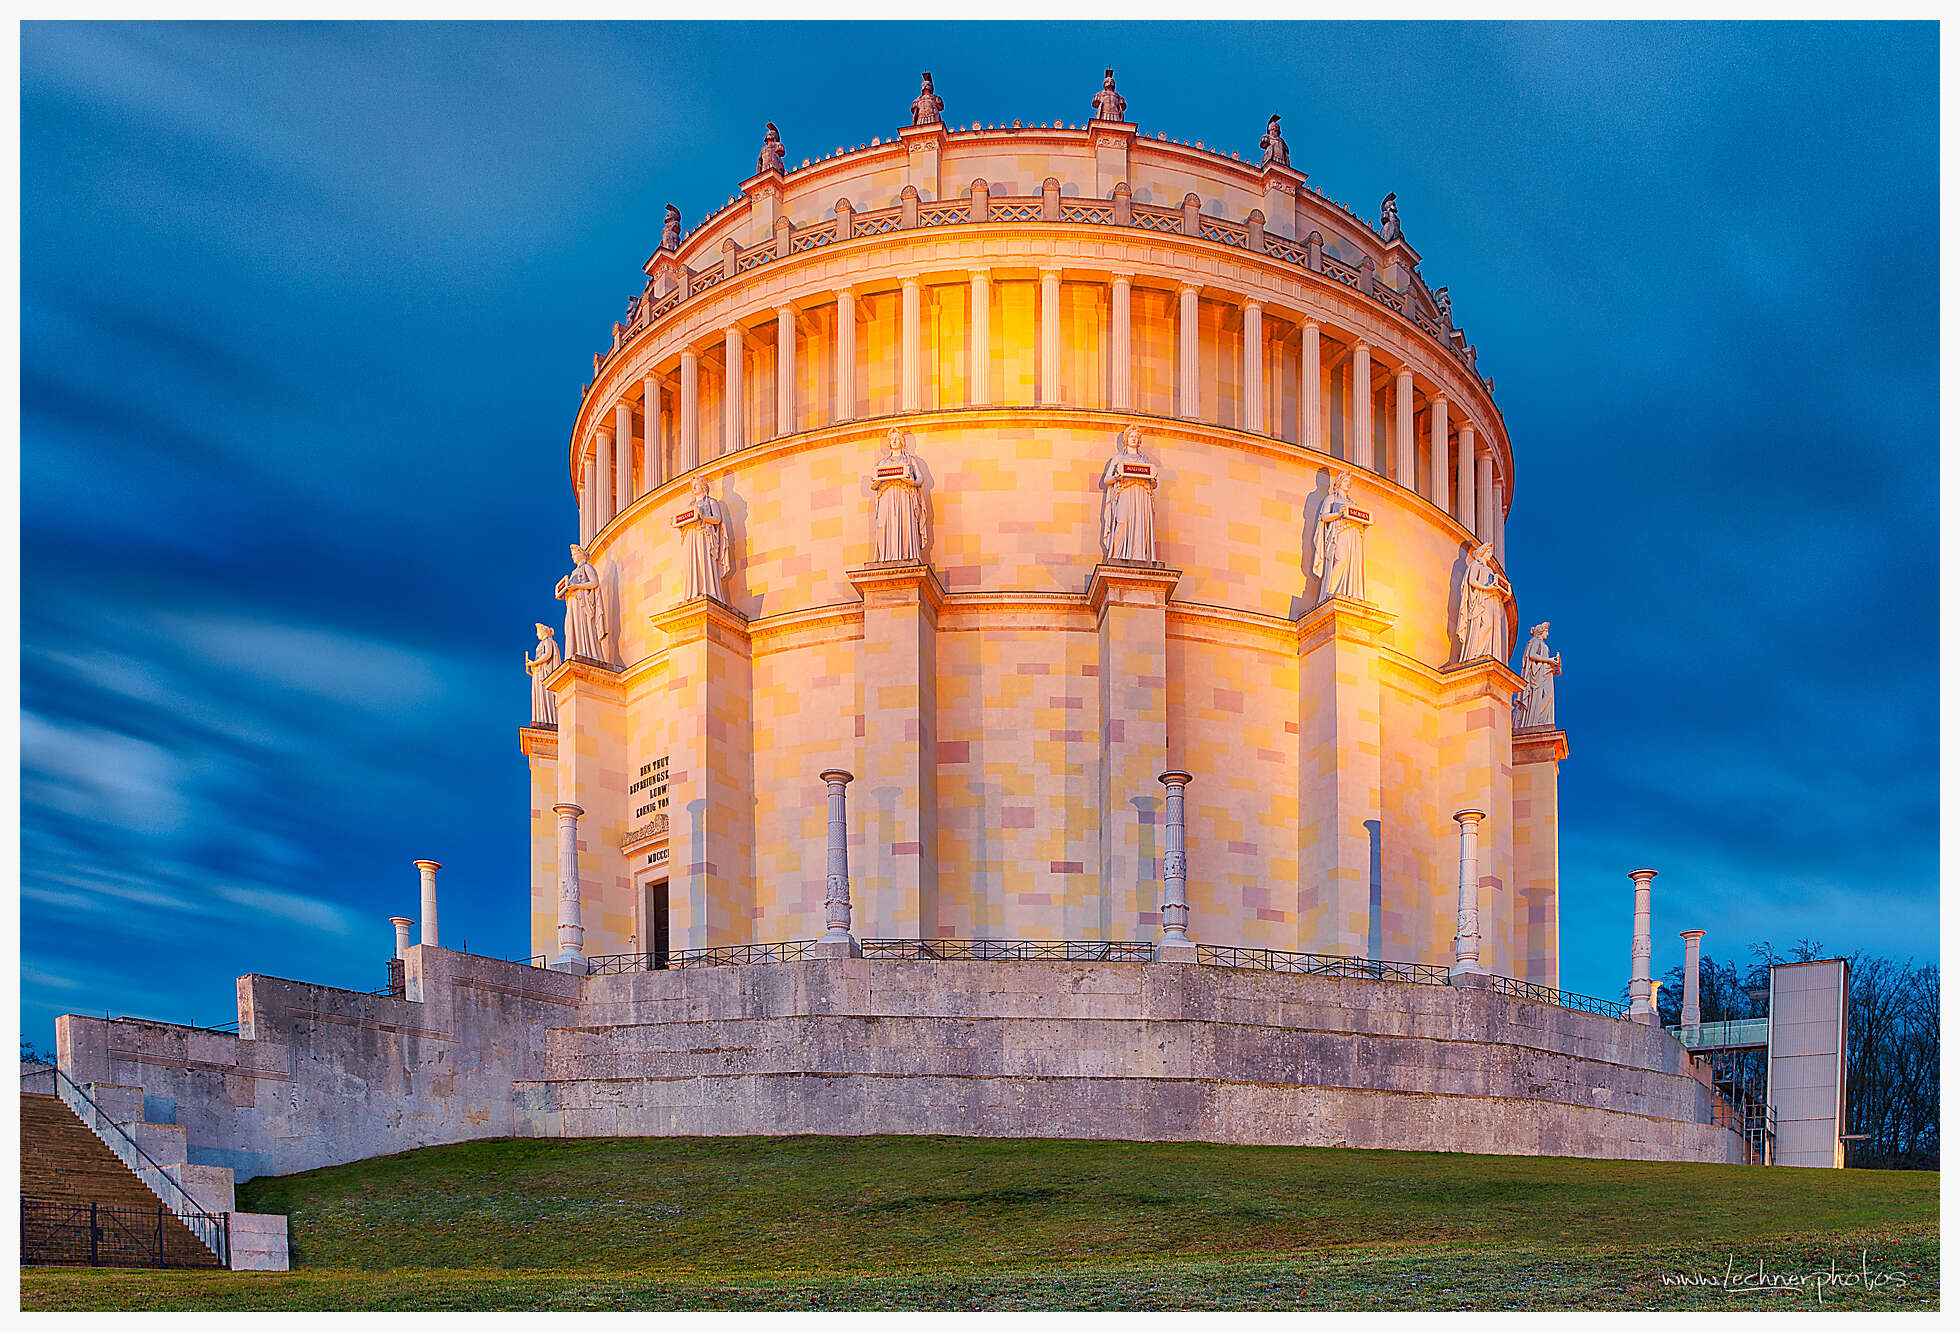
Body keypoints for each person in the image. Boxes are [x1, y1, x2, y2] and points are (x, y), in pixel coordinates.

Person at [1100, 425, 1157, 563]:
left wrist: (1152, 480)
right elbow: (1107, 480)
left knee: (1140, 526)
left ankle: (1138, 556)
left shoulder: (1145, 460)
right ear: (1126, 439)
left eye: (1136, 437)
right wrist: (1117, 477)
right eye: (1131, 436)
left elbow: (1154, 483)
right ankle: (1117, 556)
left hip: (1141, 495)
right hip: (1125, 492)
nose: (1134, 439)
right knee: (1122, 522)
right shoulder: (1119, 458)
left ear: (1139, 440)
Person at [872, 429, 929, 562]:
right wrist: (878, 481)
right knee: (882, 525)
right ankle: (886, 557)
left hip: (904, 495)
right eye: (891, 439)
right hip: (886, 495)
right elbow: (873, 485)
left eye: (897, 438)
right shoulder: (882, 463)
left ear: (902, 441)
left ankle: (906, 555)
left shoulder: (909, 460)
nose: (894, 441)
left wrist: (909, 481)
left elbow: (920, 478)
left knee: (905, 525)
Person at [1311, 472, 1369, 602]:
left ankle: (1349, 593)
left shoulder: (1352, 502)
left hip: (1353, 533)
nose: (1348, 484)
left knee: (1351, 562)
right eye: (1345, 481)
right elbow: (1324, 516)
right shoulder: (1331, 498)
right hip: (1339, 532)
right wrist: (1338, 514)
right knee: (1341, 560)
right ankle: (1330, 592)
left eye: (1349, 482)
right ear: (1339, 483)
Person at [678, 477, 730, 601]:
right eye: (692, 486)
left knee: (704, 559)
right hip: (691, 536)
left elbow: (717, 519)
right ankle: (693, 591)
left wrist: (703, 517)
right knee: (693, 561)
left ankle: (709, 590)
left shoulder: (711, 502)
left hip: (704, 535)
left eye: (696, 485)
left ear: (703, 487)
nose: (693, 488)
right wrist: (678, 524)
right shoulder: (691, 505)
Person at [556, 545, 608, 662]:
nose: (573, 557)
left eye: (574, 554)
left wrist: (577, 586)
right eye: (572, 555)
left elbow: (594, 582)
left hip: (582, 604)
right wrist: (564, 593)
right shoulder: (574, 572)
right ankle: (576, 651)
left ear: (581, 554)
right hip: (573, 602)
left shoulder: (587, 567)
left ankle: (587, 652)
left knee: (583, 625)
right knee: (571, 627)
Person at [1456, 542, 1505, 663]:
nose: (1490, 555)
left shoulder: (1489, 570)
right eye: (1488, 552)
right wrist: (1487, 588)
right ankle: (1476, 652)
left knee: (1490, 626)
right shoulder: (1475, 565)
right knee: (1486, 624)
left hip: (1489, 599)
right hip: (1480, 600)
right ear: (1483, 553)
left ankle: (1484, 651)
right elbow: (1472, 581)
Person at [1516, 621, 1560, 727]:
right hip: (1538, 674)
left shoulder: (1542, 644)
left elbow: (1541, 660)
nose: (1547, 634)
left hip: (1545, 672)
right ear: (1541, 632)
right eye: (1546, 631)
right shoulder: (1535, 641)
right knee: (1545, 696)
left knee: (1549, 696)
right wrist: (1549, 660)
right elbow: (1532, 655)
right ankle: (1535, 719)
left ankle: (1540, 719)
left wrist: (1554, 666)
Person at [525, 624, 562, 727]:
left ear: (543, 631)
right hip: (538, 673)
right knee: (539, 696)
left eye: (538, 632)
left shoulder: (548, 641)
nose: (537, 634)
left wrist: (534, 663)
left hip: (544, 673)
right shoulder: (542, 643)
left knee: (546, 694)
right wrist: (531, 668)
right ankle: (541, 717)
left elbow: (547, 654)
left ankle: (549, 719)